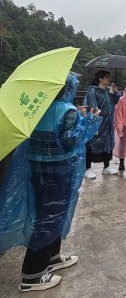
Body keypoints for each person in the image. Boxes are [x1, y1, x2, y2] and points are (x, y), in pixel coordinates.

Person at [0, 73, 102, 292]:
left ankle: (52, 256)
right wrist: (90, 122)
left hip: (37, 169)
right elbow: (70, 141)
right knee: (50, 218)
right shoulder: (68, 110)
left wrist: (77, 118)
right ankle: (32, 274)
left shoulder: (39, 109)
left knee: (48, 214)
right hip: (58, 171)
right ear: (68, 89)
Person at [84, 70, 119, 179]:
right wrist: (95, 120)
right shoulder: (93, 91)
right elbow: (92, 107)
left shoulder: (108, 91)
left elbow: (114, 102)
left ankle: (106, 166)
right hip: (98, 122)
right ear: (100, 78)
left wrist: (115, 93)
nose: (109, 79)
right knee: (92, 143)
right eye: (107, 77)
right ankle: (87, 168)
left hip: (108, 123)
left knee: (107, 143)